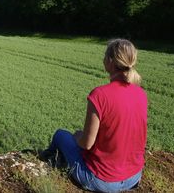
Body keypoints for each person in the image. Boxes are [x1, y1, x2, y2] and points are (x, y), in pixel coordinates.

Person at [40, 39, 147, 192]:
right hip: (134, 176)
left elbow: (87, 144)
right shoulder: (141, 94)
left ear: (110, 62)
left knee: (60, 135)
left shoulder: (100, 95)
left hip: (102, 181)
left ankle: (47, 160)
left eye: (105, 56)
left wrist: (78, 136)